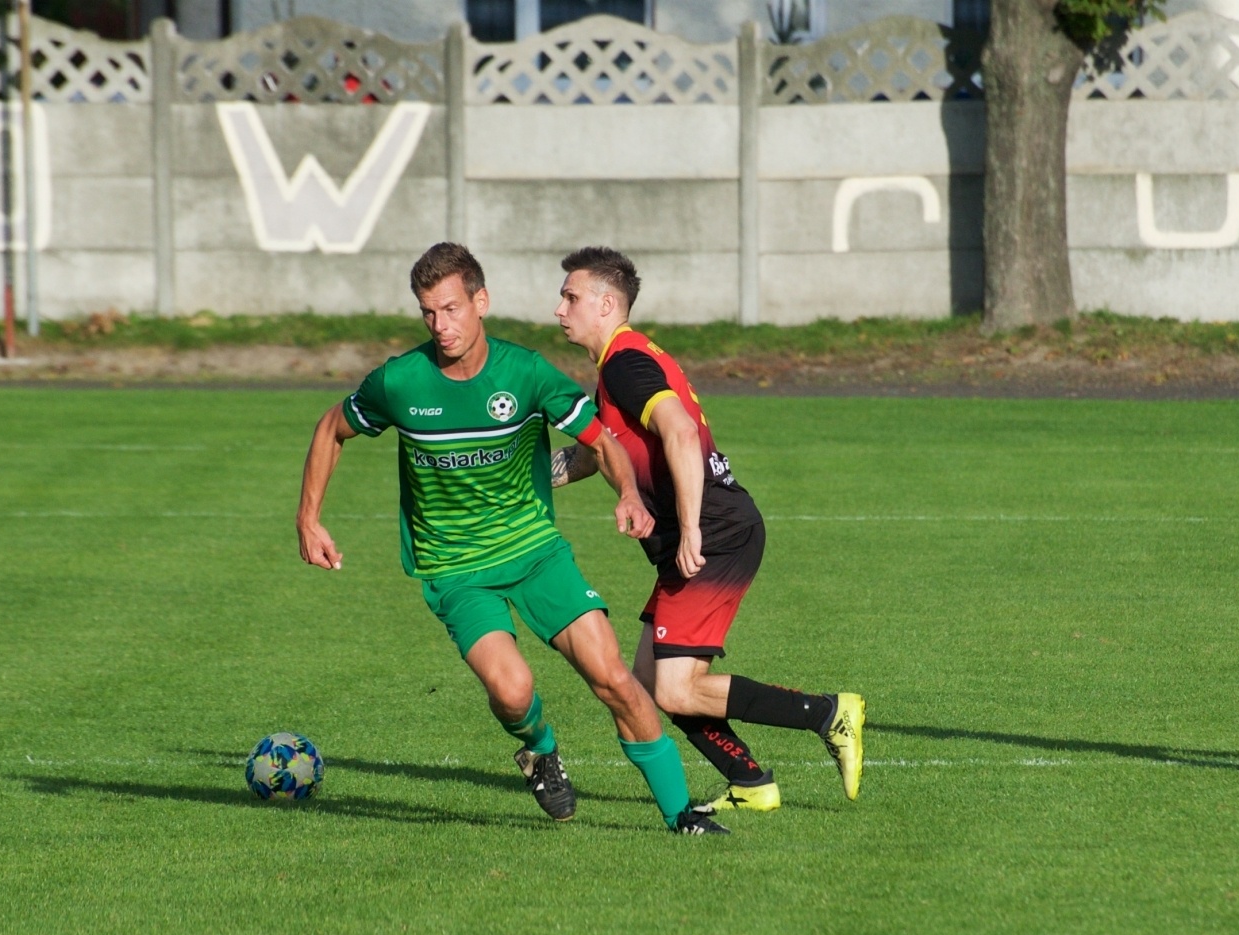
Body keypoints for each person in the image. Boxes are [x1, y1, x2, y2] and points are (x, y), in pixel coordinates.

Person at [296, 242, 727, 833]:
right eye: (428, 312)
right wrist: (308, 519)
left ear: (481, 301)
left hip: (536, 554)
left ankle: (683, 817)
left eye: (451, 309)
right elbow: (330, 427)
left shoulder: (524, 373)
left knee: (617, 681)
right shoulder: (401, 381)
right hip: (455, 570)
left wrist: (627, 492)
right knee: (513, 689)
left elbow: (602, 441)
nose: (440, 325)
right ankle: (540, 749)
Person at [549, 245, 865, 813]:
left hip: (714, 535)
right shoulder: (617, 367)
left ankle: (828, 713)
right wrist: (521, 477)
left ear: (604, 304)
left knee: (674, 688)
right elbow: (599, 454)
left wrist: (691, 528)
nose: (559, 309)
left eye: (570, 297)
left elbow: (677, 432)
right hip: (709, 534)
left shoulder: (624, 362)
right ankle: (750, 782)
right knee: (647, 681)